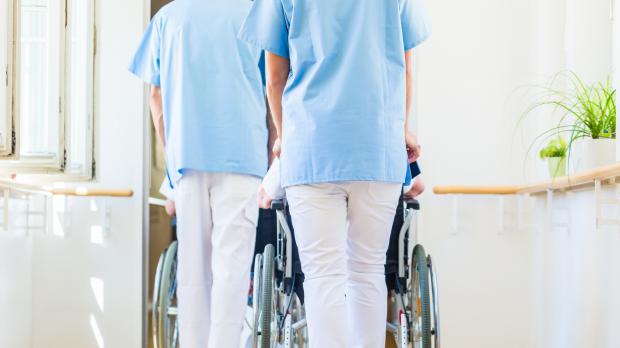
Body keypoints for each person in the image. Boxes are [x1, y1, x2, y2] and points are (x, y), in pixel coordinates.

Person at [238, 0, 430, 346]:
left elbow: (275, 79)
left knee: (323, 276)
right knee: (369, 271)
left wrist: (285, 136)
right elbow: (404, 69)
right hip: (376, 146)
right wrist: (400, 128)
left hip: (311, 148)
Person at [128, 0, 272, 346]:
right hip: (244, 158)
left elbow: (156, 96)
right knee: (232, 271)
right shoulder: (257, 15)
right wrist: (269, 159)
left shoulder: (168, 17)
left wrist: (170, 157)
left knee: (194, 273)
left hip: (188, 158)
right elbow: (272, 91)